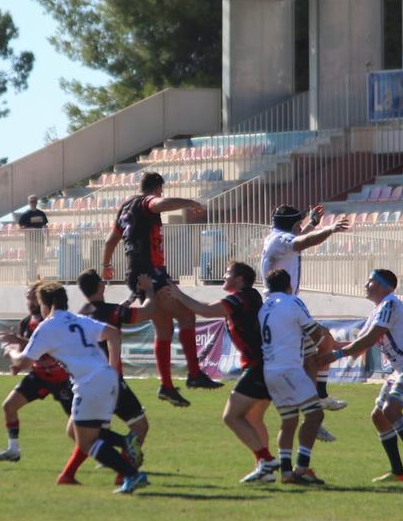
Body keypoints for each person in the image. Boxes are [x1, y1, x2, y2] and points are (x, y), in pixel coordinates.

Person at [2, 283, 148, 494]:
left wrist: (11, 352)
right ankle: (126, 445)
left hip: (89, 382)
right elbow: (113, 334)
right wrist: (113, 370)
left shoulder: (48, 326)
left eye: (41, 305)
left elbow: (22, 363)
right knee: (75, 430)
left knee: (87, 442)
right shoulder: (78, 320)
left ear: (47, 305)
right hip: (107, 379)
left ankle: (132, 473)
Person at [101, 171, 220, 407]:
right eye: (161, 190)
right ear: (156, 188)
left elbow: (110, 240)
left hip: (137, 273)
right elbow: (160, 204)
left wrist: (106, 265)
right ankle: (194, 374)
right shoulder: (147, 202)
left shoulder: (125, 207)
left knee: (164, 328)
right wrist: (190, 202)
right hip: (150, 273)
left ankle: (166, 386)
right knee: (186, 315)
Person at [171, 261, 280, 483]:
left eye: (228, 273)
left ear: (239, 280)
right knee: (253, 418)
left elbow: (206, 310)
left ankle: (266, 459)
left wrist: (178, 294)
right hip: (265, 364)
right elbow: (207, 306)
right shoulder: (249, 296)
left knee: (231, 417)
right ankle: (264, 471)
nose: (223, 276)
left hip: (258, 366)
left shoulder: (242, 297)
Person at [322, 269, 403, 484]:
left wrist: (335, 354)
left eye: (370, 281)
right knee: (379, 416)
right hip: (401, 368)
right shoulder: (378, 310)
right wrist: (326, 345)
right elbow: (359, 344)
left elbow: (370, 338)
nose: (366, 284)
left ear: (384, 286)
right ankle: (398, 471)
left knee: (391, 410)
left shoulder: (390, 304)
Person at [59, 269, 155, 485]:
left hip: (87, 381)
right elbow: (148, 312)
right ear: (101, 287)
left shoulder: (81, 313)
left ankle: (68, 474)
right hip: (111, 381)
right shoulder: (111, 312)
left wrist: (131, 297)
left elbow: (113, 312)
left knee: (78, 431)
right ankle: (125, 472)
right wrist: (149, 291)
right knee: (140, 428)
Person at [260, 205, 349, 416]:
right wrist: (330, 230)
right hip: (284, 306)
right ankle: (314, 399)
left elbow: (297, 239)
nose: (300, 227)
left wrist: (312, 224)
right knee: (324, 341)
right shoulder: (281, 240)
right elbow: (303, 241)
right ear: (291, 225)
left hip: (280, 304)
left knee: (311, 357)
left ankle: (314, 401)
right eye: (298, 224)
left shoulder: (276, 237)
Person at [257, 269, 328, 485]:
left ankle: (286, 472)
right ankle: (301, 467)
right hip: (288, 368)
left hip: (270, 370)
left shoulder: (264, 307)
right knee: (315, 415)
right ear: (289, 286)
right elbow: (316, 335)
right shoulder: (293, 302)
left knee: (289, 420)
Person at [0, 282, 74, 463]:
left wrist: (16, 341)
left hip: (62, 378)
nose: (29, 302)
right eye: (27, 298)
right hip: (40, 376)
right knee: (9, 406)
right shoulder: (26, 323)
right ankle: (13, 449)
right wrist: (18, 365)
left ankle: (103, 450)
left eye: (31, 298)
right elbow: (30, 353)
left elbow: (42, 347)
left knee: (78, 425)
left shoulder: (48, 321)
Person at [17, 195, 49, 281]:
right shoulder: (26, 215)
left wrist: (48, 238)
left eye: (35, 201)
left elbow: (45, 226)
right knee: (31, 258)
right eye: (31, 201)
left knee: (40, 258)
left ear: (37, 202)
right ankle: (31, 274)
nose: (33, 203)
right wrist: (30, 229)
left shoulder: (41, 213)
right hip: (30, 240)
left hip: (40, 240)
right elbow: (19, 228)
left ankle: (34, 269)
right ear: (29, 203)